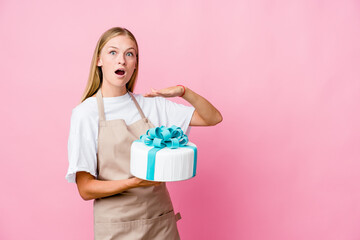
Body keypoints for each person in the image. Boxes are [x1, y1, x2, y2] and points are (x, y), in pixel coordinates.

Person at [65, 26, 222, 239]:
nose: (122, 60)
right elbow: (85, 188)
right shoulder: (85, 113)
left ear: (135, 63)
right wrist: (134, 182)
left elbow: (212, 118)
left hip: (160, 223)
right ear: (99, 60)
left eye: (129, 54)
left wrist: (183, 91)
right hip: (117, 228)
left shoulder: (151, 105)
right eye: (113, 52)